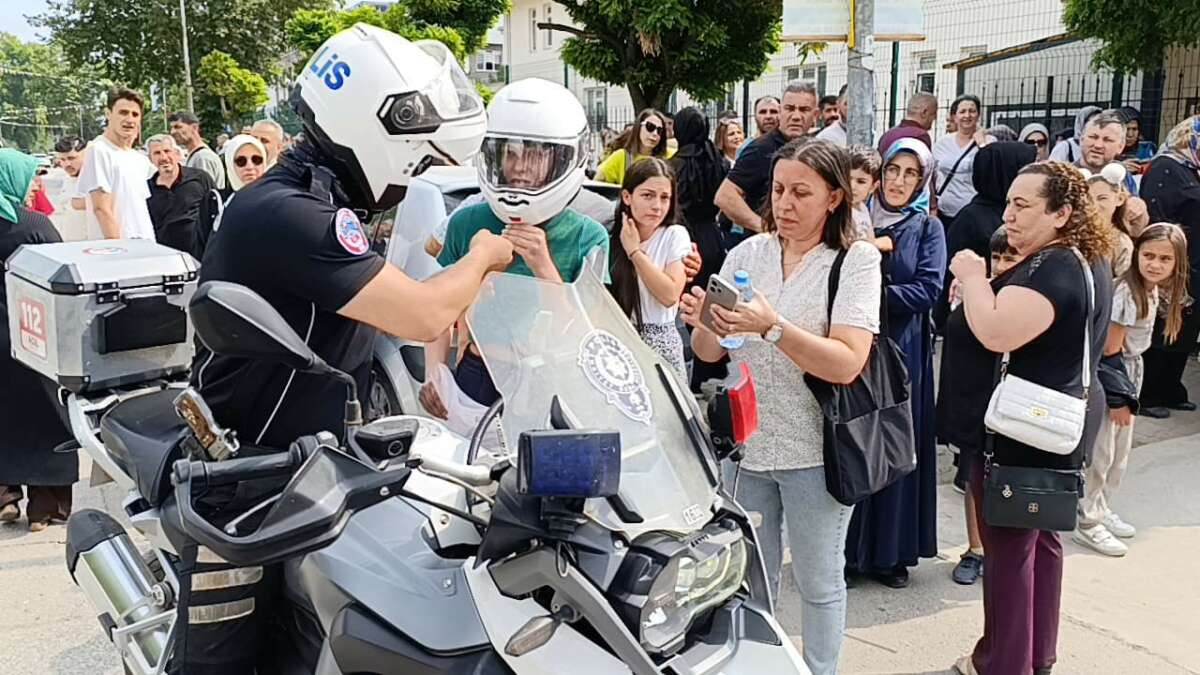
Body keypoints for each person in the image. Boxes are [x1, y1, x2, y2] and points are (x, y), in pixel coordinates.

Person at [682, 140, 881, 675]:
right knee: (748, 580)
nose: (784, 204)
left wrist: (771, 327)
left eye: (801, 193)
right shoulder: (749, 253)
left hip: (816, 452)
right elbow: (708, 354)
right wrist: (706, 319)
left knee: (818, 582)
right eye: (777, 190)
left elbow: (846, 363)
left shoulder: (855, 261)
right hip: (746, 449)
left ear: (835, 198)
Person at [947, 160, 1114, 675]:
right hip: (1051, 422)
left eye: (1023, 206)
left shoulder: (1054, 266)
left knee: (1009, 555)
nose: (1009, 216)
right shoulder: (1085, 259)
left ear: (1063, 213)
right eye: (1009, 203)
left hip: (1025, 428)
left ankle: (1003, 663)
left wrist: (973, 277)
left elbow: (996, 332)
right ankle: (1036, 656)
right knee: (1040, 545)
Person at [419, 78, 608, 415]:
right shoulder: (468, 221)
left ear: (562, 160)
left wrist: (543, 265)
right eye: (510, 153)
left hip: (551, 377)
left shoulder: (588, 236)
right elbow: (439, 308)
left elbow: (582, 329)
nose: (520, 166)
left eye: (536, 155)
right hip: (480, 368)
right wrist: (434, 372)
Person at [845, 138, 946, 589]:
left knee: (896, 444)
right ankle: (848, 551)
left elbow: (928, 291)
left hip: (904, 352)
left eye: (910, 173)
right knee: (855, 440)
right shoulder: (855, 220)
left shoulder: (927, 228)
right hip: (857, 345)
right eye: (892, 171)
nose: (899, 181)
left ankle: (890, 554)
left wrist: (871, 296)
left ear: (922, 179)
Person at [1076, 223, 1187, 557]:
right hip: (1116, 376)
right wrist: (1119, 399)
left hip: (1132, 372)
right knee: (1103, 451)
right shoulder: (1127, 292)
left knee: (1119, 454)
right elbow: (1110, 351)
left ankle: (1102, 507)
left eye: (1164, 259)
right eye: (1148, 255)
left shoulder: (1152, 290)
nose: (1154, 264)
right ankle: (1088, 521)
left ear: (1176, 263)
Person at [941, 226, 1026, 586]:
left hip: (1017, 406)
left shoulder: (1032, 295)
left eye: (1013, 257)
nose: (1004, 264)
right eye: (999, 256)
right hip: (977, 402)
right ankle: (975, 550)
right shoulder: (973, 290)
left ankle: (1004, 552)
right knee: (972, 477)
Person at [0, 148, 75, 533]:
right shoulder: (33, 225)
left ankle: (5, 495)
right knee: (45, 415)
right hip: (32, 336)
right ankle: (45, 509)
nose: (33, 186)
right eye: (27, 178)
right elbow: (62, 275)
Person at [934, 142, 1037, 331]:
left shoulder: (1015, 213)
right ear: (1005, 172)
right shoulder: (971, 219)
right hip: (975, 321)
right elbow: (950, 275)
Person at [1138, 115, 1200, 418]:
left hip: (1195, 266)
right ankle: (1149, 394)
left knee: (1184, 330)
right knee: (1164, 329)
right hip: (1176, 263)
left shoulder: (1193, 168)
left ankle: (1171, 390)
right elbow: (1157, 217)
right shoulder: (1167, 167)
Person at [609, 158, 690, 376]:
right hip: (619, 341)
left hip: (661, 340)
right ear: (627, 196)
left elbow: (670, 294)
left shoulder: (674, 235)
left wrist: (635, 252)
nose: (657, 206)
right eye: (647, 195)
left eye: (665, 198)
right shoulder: (609, 239)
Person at [715, 80, 818, 235]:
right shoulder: (760, 149)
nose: (796, 116)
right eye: (789, 109)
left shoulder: (817, 149)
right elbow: (725, 196)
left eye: (804, 110)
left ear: (815, 115)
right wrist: (765, 228)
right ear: (781, 111)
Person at [77, 87, 156, 240]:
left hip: (144, 246)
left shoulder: (139, 159)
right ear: (108, 114)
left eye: (135, 114)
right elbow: (101, 209)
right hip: (117, 252)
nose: (129, 119)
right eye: (123, 112)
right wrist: (120, 249)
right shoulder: (98, 150)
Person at [193, 134, 268, 258]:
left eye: (257, 160)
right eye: (241, 161)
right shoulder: (215, 201)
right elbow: (202, 250)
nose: (250, 167)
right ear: (229, 164)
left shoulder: (277, 199)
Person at [145, 134, 215, 254]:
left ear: (176, 154)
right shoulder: (147, 189)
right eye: (157, 153)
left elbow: (216, 210)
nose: (163, 157)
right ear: (150, 159)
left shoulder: (200, 178)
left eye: (167, 151)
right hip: (166, 258)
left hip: (202, 255)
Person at [932, 94, 995, 229]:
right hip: (945, 213)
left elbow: (991, 171)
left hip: (975, 213)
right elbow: (932, 177)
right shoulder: (942, 143)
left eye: (972, 111)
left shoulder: (989, 142)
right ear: (955, 117)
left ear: (978, 115)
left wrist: (981, 145)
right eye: (962, 111)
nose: (967, 115)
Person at [1085, 162, 1145, 278]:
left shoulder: (1120, 242)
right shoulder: (1073, 235)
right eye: (1088, 199)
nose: (1094, 205)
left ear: (1120, 199)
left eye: (1102, 198)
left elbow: (1125, 283)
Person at [594, 108, 672, 185]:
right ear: (638, 127)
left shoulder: (670, 156)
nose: (655, 133)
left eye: (659, 130)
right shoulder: (621, 157)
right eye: (650, 127)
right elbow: (597, 181)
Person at [168, 111, 226, 189]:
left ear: (194, 127)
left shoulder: (202, 157)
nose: (172, 132)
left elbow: (203, 193)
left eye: (178, 127)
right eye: (171, 128)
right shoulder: (195, 156)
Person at [46, 135, 87, 240]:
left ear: (85, 155)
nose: (67, 164)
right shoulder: (67, 178)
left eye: (71, 158)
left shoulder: (95, 181)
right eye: (62, 159)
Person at [847, 145, 880, 240]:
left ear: (873, 187)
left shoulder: (863, 209)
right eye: (847, 179)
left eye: (860, 181)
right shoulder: (838, 210)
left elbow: (871, 240)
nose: (852, 186)